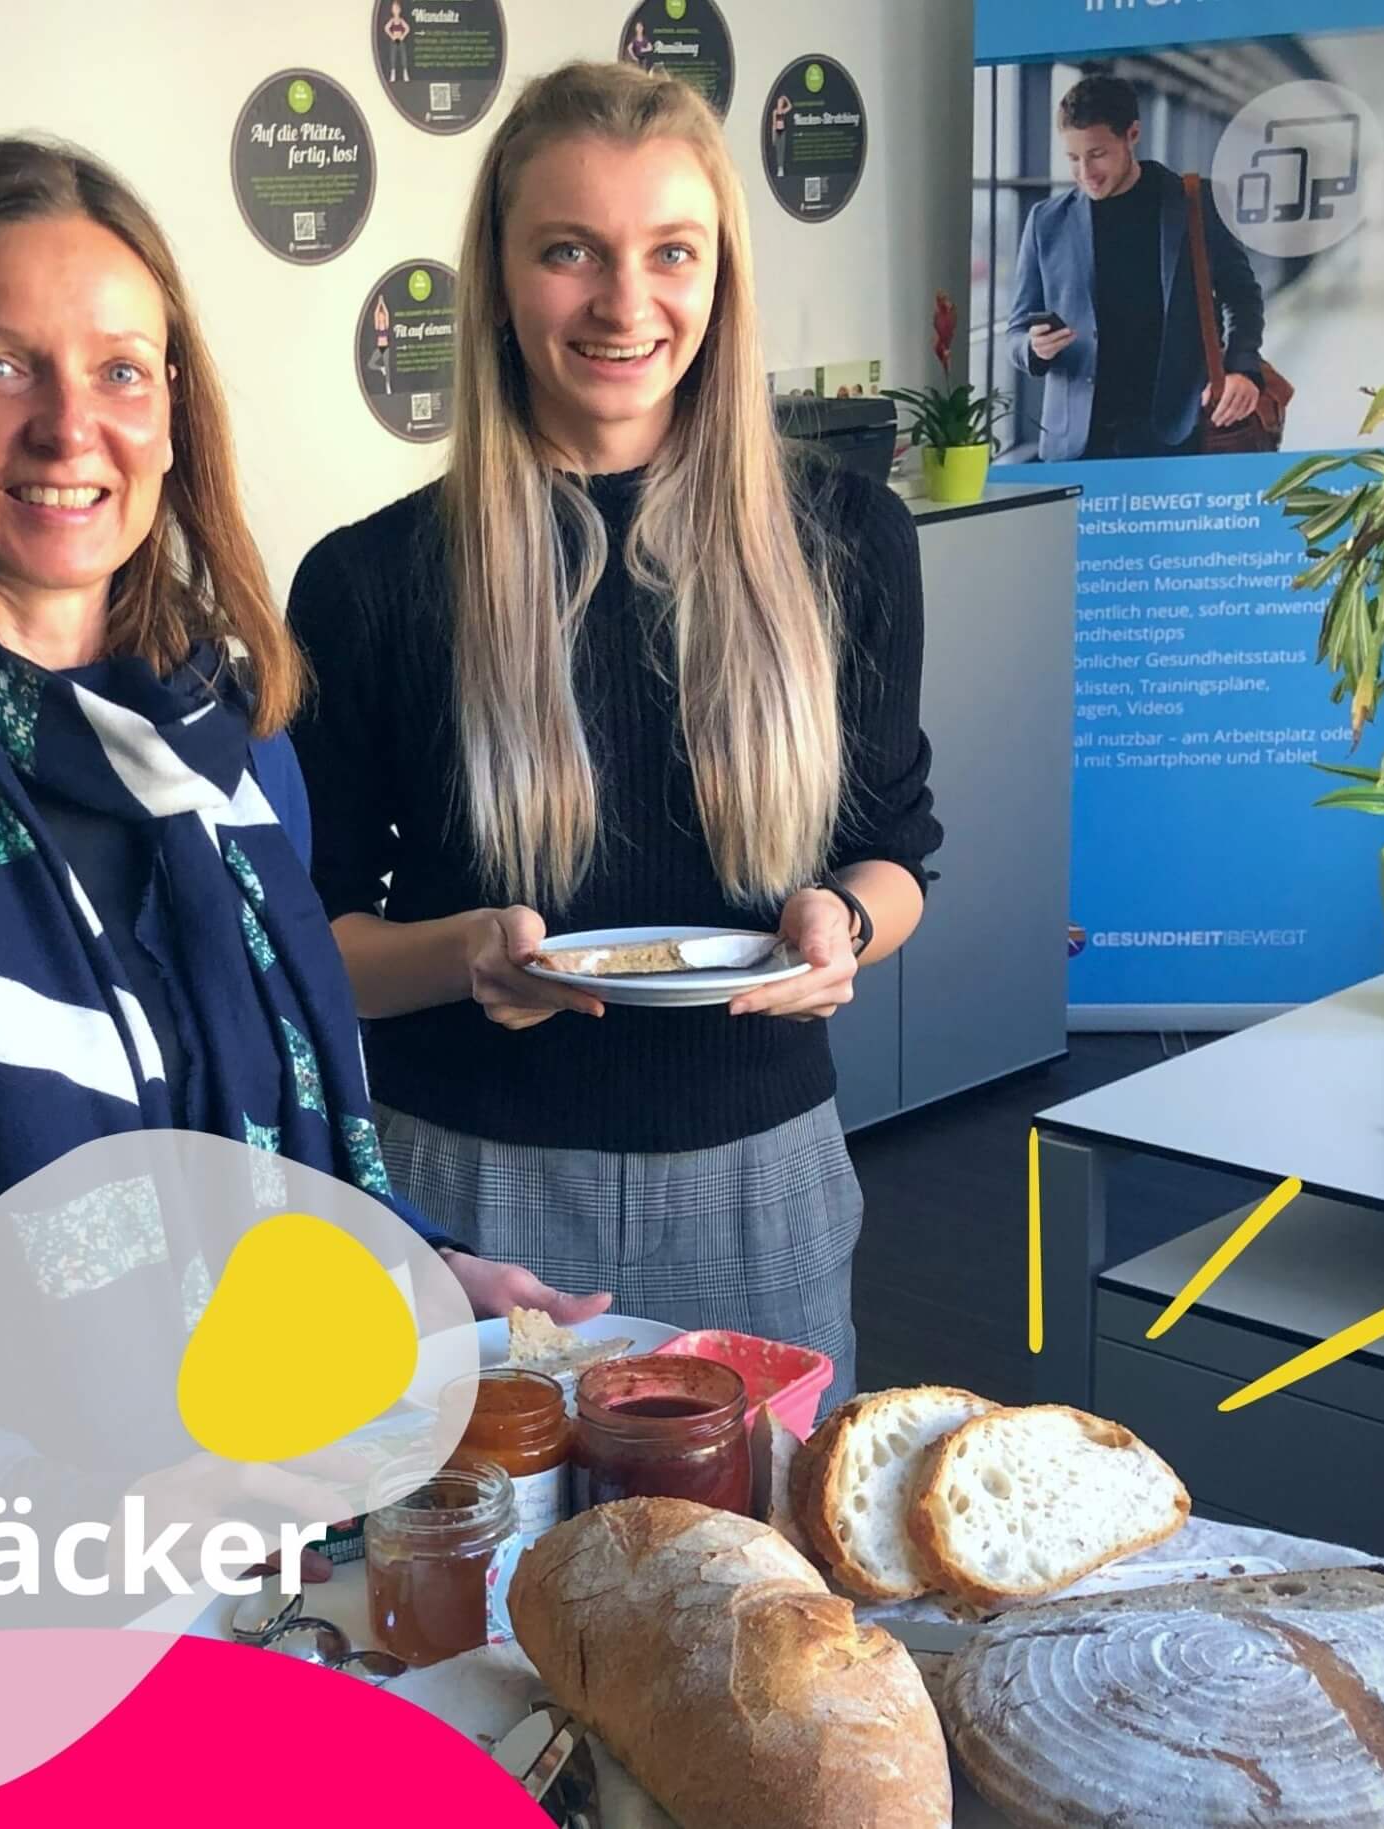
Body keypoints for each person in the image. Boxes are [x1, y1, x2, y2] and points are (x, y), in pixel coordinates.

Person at [0, 138, 604, 1432]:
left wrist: (422, 1262)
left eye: (119, 373)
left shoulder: (239, 756)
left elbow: (260, 1148)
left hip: (273, 1518)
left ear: (170, 416)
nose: (68, 426)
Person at [287, 62, 940, 1392]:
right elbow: (315, 949)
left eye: (670, 252)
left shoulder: (848, 542)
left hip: (762, 1184)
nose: (624, 303)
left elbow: (895, 850)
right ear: (500, 274)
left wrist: (847, 926)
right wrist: (469, 953)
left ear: (721, 275)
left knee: (764, 1582)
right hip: (470, 1190)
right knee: (476, 1582)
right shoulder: (368, 583)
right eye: (570, 250)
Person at [1006, 71, 1266, 461]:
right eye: (1073, 158)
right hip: (1076, 441)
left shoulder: (1193, 202)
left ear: (1132, 134)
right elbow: (1016, 331)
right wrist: (1033, 347)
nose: (1085, 173)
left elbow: (1242, 295)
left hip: (1176, 431)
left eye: (1097, 155)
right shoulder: (1047, 221)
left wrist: (1242, 368)